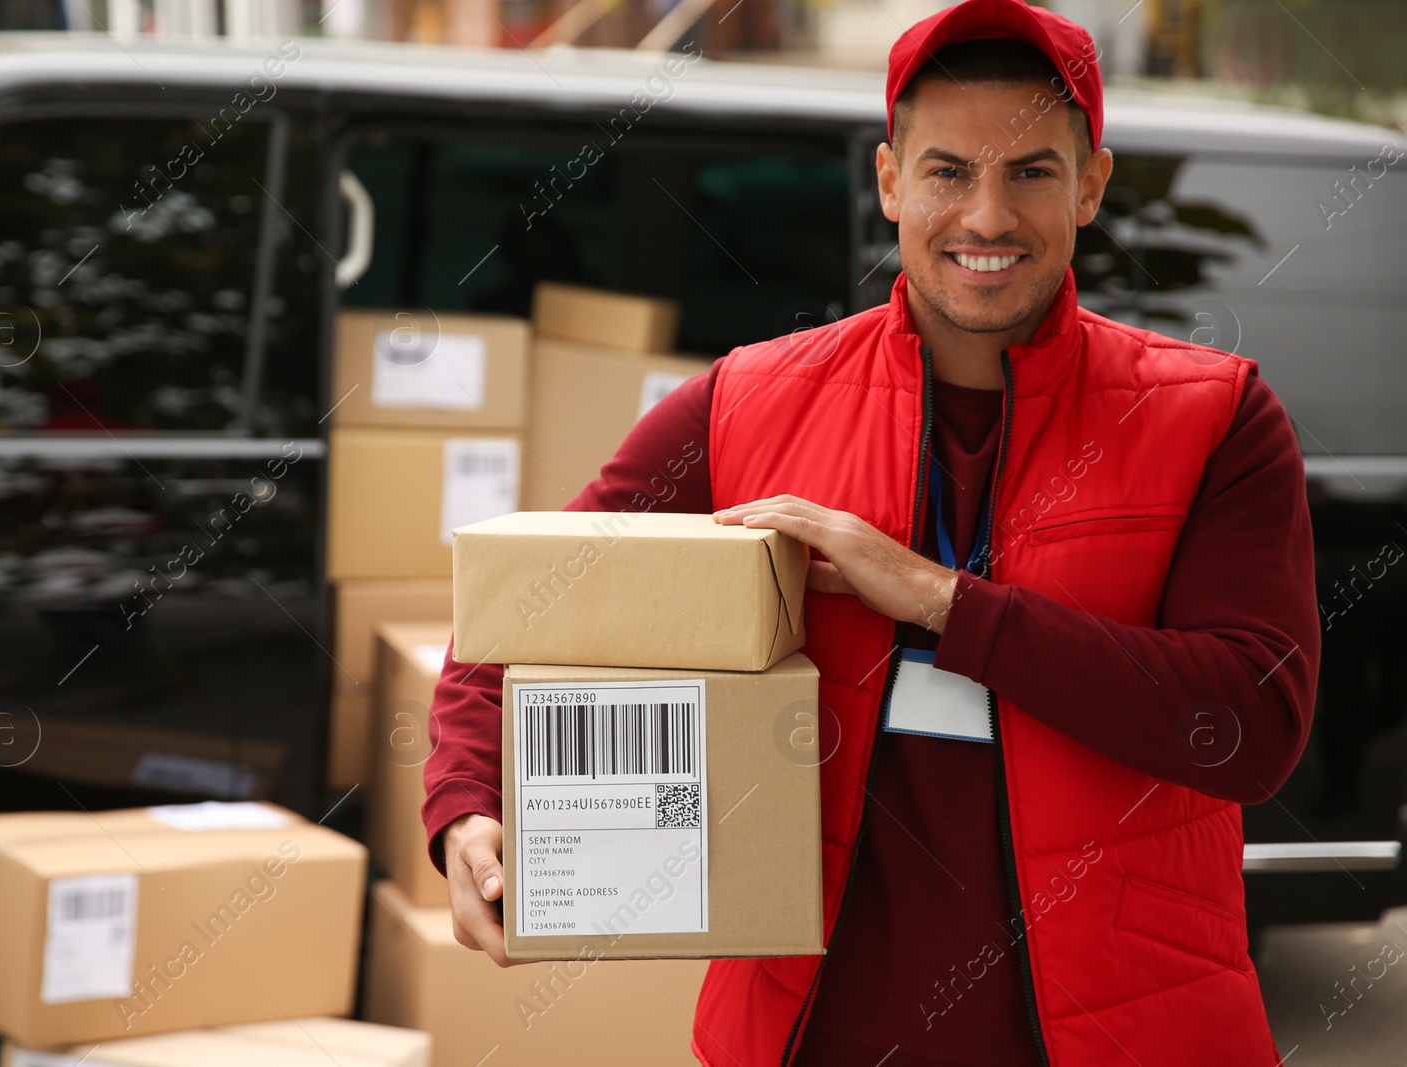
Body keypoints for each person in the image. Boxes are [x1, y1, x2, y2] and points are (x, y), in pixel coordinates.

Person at [421, 1, 1319, 1063]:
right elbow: (526, 604)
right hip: (811, 1033)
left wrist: (940, 598)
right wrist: (467, 804)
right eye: (947, 171)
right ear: (890, 181)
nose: (986, 215)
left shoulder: (1210, 416)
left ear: (1091, 185)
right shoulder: (745, 403)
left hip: (1123, 1032)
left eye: (1030, 170)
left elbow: (1250, 725)